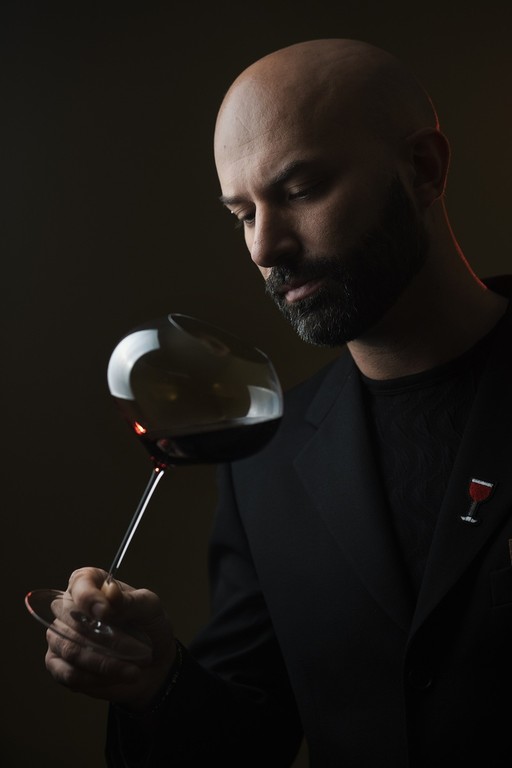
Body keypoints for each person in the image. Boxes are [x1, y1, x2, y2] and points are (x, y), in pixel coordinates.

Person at [45, 38, 512, 767]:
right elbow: (249, 741)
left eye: (299, 190)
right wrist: (158, 682)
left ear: (423, 169)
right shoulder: (267, 462)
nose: (265, 247)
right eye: (242, 213)